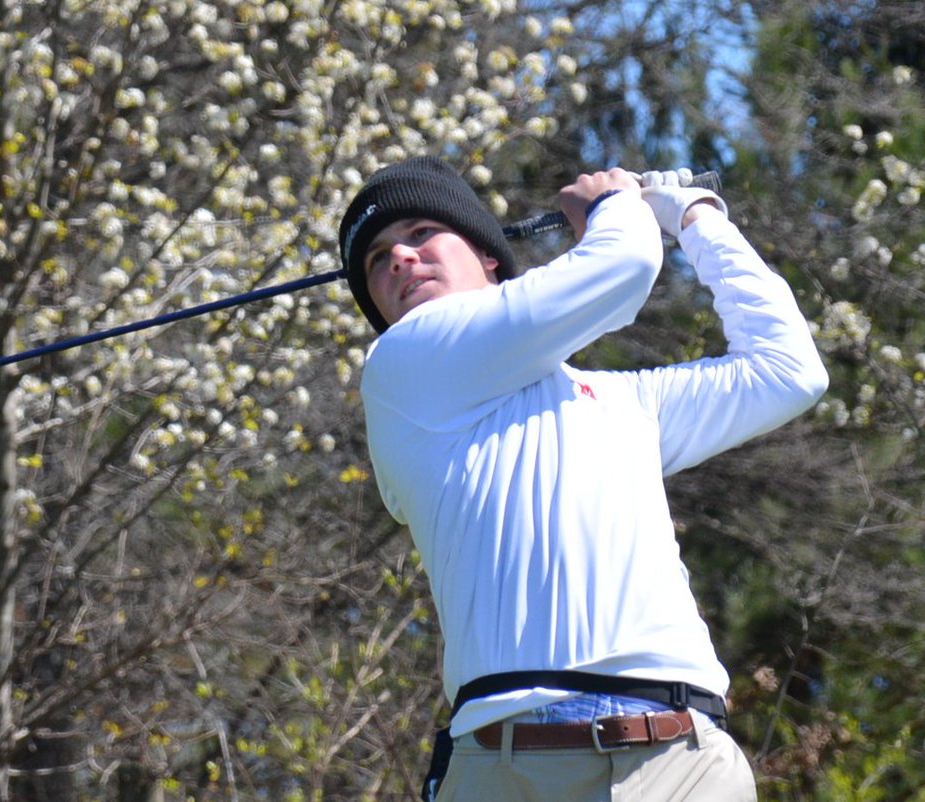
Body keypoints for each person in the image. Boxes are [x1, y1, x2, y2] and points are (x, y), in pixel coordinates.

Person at [336, 156, 829, 802]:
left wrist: (695, 218)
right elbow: (622, 266)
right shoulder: (404, 366)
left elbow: (788, 371)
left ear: (489, 255)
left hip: (678, 761)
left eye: (422, 231)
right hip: (508, 767)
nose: (399, 256)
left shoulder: (622, 402)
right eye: (375, 258)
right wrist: (613, 204)